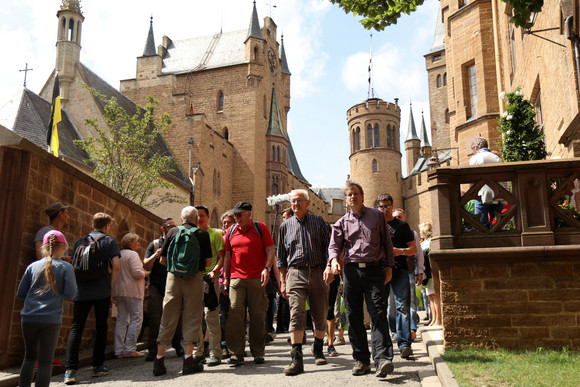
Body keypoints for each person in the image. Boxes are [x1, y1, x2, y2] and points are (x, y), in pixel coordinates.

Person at [324, 182, 395, 378]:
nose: (352, 197)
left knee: (377, 313)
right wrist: (333, 262)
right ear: (346, 200)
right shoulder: (341, 223)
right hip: (352, 272)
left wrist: (389, 266)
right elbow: (334, 247)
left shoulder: (377, 216)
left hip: (374, 270)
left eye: (355, 194)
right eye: (349, 195)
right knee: (354, 316)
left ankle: (382, 359)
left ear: (362, 196)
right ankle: (361, 360)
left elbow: (387, 244)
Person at [153, 206, 212, 377]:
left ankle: (159, 360)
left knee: (168, 316)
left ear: (181, 219)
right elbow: (208, 262)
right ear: (196, 219)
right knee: (192, 317)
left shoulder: (172, 232)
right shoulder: (202, 234)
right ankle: (188, 361)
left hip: (173, 278)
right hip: (194, 278)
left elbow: (163, 260)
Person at [277, 189, 330, 375]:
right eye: (293, 201)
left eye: (299, 201)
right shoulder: (285, 226)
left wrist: (330, 267)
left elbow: (328, 249)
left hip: (318, 271)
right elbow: (281, 258)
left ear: (307, 203)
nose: (296, 204)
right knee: (296, 313)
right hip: (295, 273)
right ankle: (296, 360)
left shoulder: (319, 222)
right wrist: (283, 281)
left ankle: (318, 348)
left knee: (320, 315)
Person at [64, 213, 121, 385]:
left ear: (93, 224)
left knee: (76, 328)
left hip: (81, 291)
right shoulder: (110, 241)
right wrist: (110, 285)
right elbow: (117, 266)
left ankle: (70, 370)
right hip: (101, 291)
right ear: (107, 226)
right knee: (101, 327)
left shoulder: (80, 241)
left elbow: (74, 263)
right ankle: (97, 366)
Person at [18, 231, 77, 387]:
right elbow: (72, 294)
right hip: (51, 319)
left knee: (29, 358)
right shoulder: (66, 267)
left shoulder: (32, 266)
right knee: (45, 361)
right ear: (64, 247)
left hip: (28, 318)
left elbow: (20, 293)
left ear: (43, 247)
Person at [223, 201, 275, 367]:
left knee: (258, 316)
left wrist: (267, 268)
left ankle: (258, 352)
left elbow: (271, 250)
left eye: (239, 214)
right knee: (235, 315)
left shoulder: (260, 228)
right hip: (236, 278)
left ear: (249, 215)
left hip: (256, 279)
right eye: (235, 215)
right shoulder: (231, 231)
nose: (236, 218)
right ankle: (236, 354)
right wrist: (225, 277)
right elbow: (227, 255)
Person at [377, 194, 417, 360]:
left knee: (403, 306)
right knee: (380, 307)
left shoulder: (402, 226)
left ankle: (404, 344)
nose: (385, 209)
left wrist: (399, 251)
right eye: (382, 206)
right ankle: (384, 345)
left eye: (388, 206)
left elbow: (413, 249)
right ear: (378, 208)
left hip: (399, 270)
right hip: (380, 272)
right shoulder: (374, 226)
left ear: (392, 206)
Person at [143, 217, 184, 361]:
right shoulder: (154, 244)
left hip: (174, 284)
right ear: (163, 229)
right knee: (155, 317)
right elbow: (145, 265)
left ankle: (177, 344)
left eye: (175, 226)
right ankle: (153, 350)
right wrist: (156, 255)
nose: (173, 229)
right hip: (156, 286)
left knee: (177, 317)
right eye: (169, 226)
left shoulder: (178, 243)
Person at [193, 205, 225, 367]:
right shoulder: (192, 234)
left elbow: (221, 257)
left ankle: (215, 353)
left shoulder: (215, 235)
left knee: (211, 317)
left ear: (207, 217)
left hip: (210, 281)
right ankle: (198, 352)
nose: (199, 218)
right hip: (194, 280)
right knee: (196, 318)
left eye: (201, 216)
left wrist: (214, 272)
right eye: (196, 216)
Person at [112, 233, 149, 359]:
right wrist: (147, 273)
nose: (138, 244)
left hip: (120, 291)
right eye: (137, 242)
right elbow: (136, 273)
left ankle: (119, 349)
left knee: (122, 319)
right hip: (133, 291)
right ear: (131, 242)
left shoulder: (119, 254)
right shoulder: (133, 254)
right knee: (136, 319)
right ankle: (130, 348)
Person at [392, 208, 424, 341]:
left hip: (408, 271)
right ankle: (395, 331)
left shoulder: (411, 233)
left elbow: (419, 254)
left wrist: (420, 271)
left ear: (405, 218)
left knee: (408, 303)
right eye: (395, 217)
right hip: (391, 271)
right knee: (391, 306)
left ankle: (411, 330)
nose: (397, 219)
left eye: (400, 216)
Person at [469, 137, 503, 228]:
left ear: (476, 148)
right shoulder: (497, 158)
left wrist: (470, 193)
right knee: (496, 224)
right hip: (498, 193)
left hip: (481, 193)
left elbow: (471, 178)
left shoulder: (475, 158)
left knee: (480, 224)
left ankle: (482, 240)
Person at [219, 211, 235, 358]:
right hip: (223, 280)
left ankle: (236, 344)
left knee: (237, 313)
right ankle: (223, 344)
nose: (226, 225)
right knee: (223, 313)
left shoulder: (237, 238)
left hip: (237, 279)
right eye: (224, 222)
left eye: (228, 222)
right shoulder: (221, 239)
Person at [419, 222, 441, 326]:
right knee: (431, 296)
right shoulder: (424, 242)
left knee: (435, 296)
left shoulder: (431, 241)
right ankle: (434, 318)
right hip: (426, 273)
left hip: (431, 272)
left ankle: (439, 319)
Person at [275, 208, 294, 335]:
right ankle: (282, 326)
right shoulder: (283, 230)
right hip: (285, 270)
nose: (283, 220)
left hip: (293, 270)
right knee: (284, 300)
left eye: (285, 217)